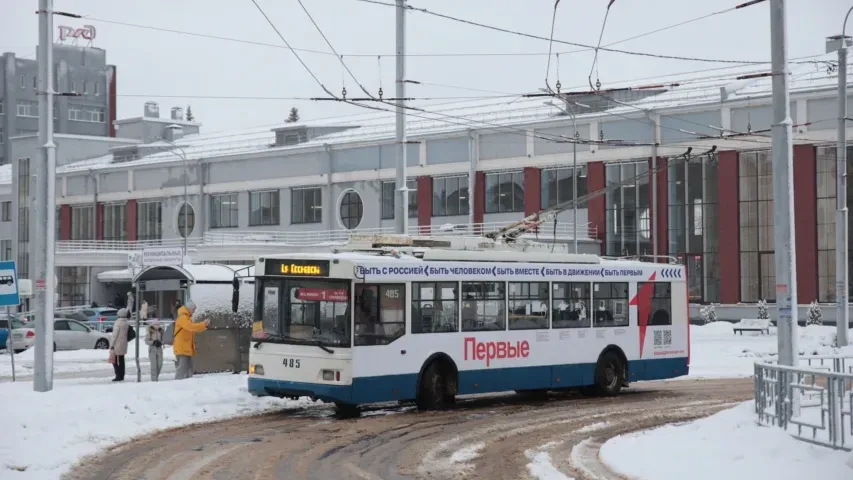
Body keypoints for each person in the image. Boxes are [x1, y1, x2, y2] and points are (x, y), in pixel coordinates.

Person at [173, 300, 209, 380]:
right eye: (193, 310)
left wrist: (204, 326)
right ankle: (177, 386)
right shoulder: (182, 317)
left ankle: (188, 386)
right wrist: (203, 324)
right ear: (189, 309)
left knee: (189, 370)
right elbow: (191, 327)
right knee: (182, 370)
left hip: (186, 348)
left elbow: (193, 329)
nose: (194, 311)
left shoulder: (187, 318)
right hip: (182, 348)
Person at [110, 308, 130, 382]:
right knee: (121, 359)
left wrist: (111, 344)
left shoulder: (118, 323)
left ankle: (117, 375)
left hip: (117, 343)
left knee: (114, 360)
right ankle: (122, 375)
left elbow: (114, 335)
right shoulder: (126, 322)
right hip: (123, 343)